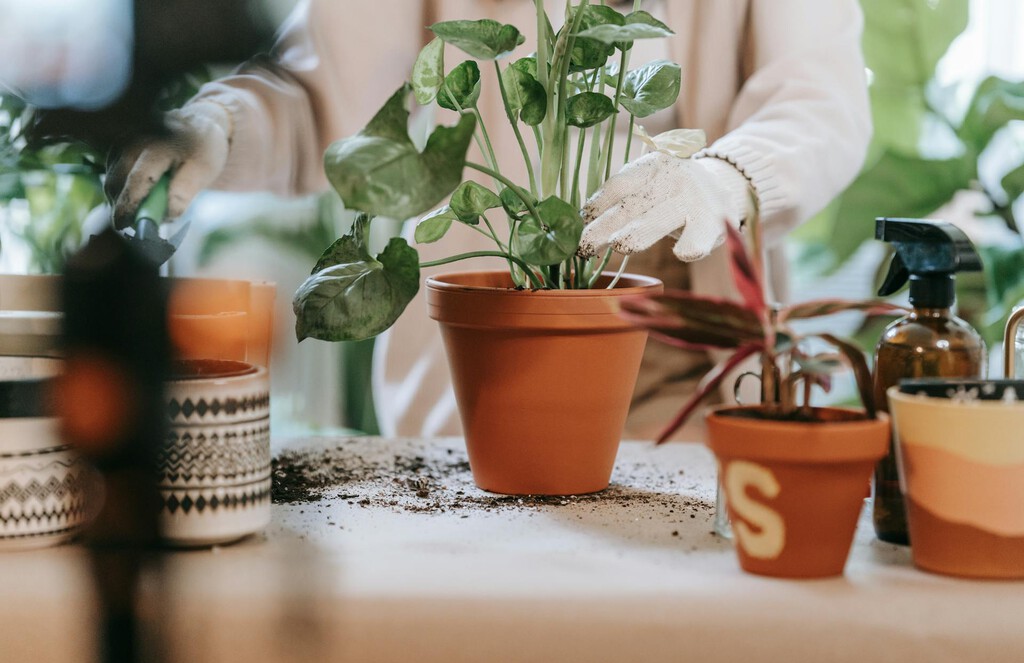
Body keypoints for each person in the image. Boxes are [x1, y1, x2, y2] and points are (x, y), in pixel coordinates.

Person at [105, 0, 871, 440]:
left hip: (687, 381)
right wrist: (221, 128)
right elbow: (321, 96)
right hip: (480, 382)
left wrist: (725, 179)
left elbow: (819, 97)